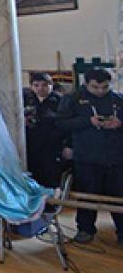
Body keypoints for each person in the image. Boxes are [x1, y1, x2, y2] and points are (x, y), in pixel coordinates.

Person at [55, 69, 123, 245]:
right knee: (87, 194)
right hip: (87, 157)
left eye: (105, 87)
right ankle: (85, 229)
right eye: (95, 87)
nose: (100, 91)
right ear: (86, 83)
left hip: (116, 158)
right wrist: (87, 121)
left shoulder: (118, 99)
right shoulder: (72, 100)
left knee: (119, 196)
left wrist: (119, 123)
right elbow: (61, 123)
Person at [21, 73, 67, 188]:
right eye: (36, 85)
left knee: (50, 179)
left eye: (44, 85)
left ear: (51, 85)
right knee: (31, 178)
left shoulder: (61, 101)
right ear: (31, 86)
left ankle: (52, 205)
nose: (40, 88)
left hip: (51, 147)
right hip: (30, 146)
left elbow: (66, 124)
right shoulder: (24, 99)